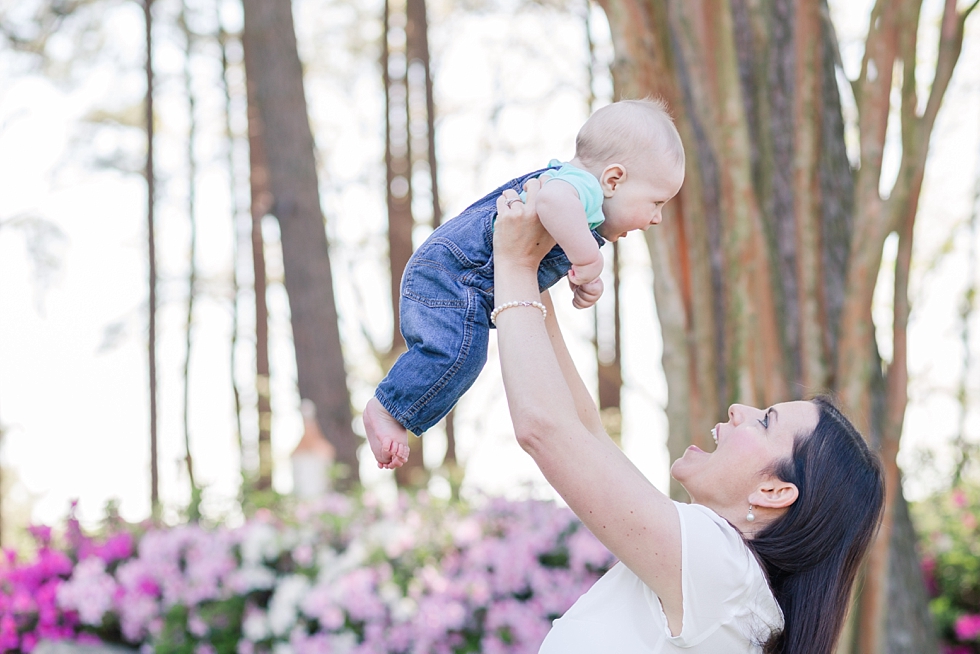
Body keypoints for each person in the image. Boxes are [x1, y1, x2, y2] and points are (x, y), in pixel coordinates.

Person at [490, 178, 885, 654]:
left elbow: (547, 431)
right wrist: (532, 273)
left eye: (765, 422)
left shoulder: (721, 571)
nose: (741, 409)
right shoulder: (727, 584)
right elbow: (586, 431)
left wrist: (512, 264)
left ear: (774, 491)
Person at [364, 98, 686, 469]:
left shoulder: (583, 197)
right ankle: (388, 408)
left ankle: (393, 409)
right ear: (614, 180)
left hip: (467, 279)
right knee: (457, 354)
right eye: (656, 202)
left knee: (466, 355)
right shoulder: (578, 186)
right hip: (453, 272)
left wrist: (579, 275)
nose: (657, 218)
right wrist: (588, 259)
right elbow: (551, 201)